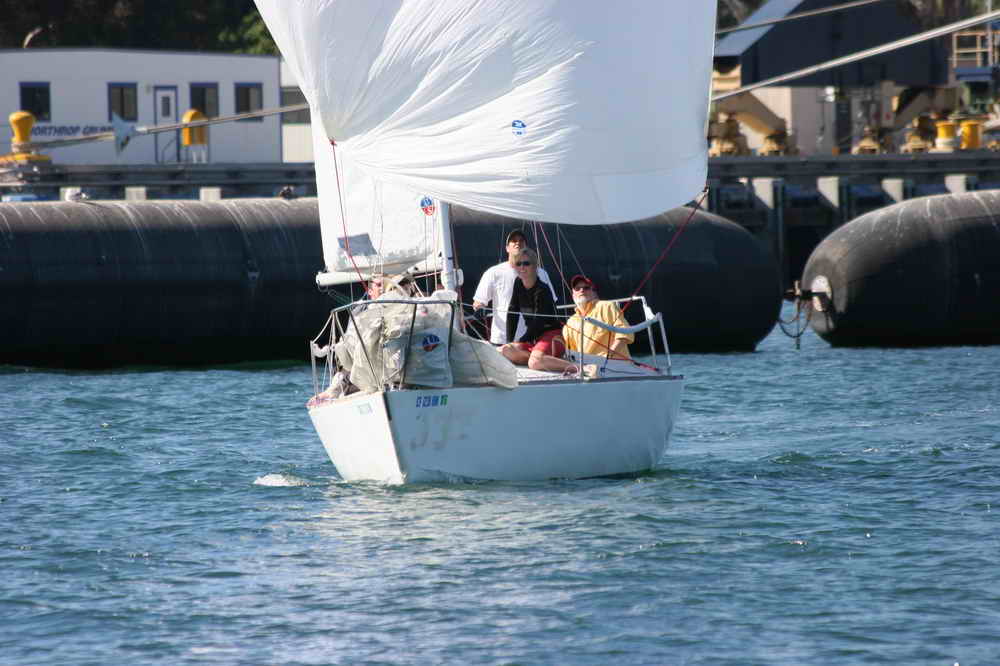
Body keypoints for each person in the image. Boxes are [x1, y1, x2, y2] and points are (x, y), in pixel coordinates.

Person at [500, 248, 578, 374]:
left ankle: (579, 368)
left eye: (526, 263)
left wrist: (521, 340)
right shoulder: (518, 283)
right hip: (534, 338)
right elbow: (512, 312)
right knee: (506, 350)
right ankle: (539, 357)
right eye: (518, 264)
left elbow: (538, 321)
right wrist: (509, 341)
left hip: (552, 336)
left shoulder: (542, 290)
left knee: (534, 363)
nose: (522, 267)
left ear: (535, 266)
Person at [472, 229, 557, 344]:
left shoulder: (541, 273)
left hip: (535, 339)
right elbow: (479, 301)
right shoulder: (493, 273)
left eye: (521, 240)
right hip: (502, 339)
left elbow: (550, 305)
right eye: (513, 241)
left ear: (526, 247)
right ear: (507, 248)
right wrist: (480, 309)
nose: (518, 243)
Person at [562, 274, 634, 360]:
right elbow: (571, 351)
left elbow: (625, 333)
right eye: (577, 288)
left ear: (593, 292)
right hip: (585, 365)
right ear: (573, 295)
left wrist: (608, 356)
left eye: (586, 288)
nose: (582, 290)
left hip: (613, 363)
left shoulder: (607, 307)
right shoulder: (571, 321)